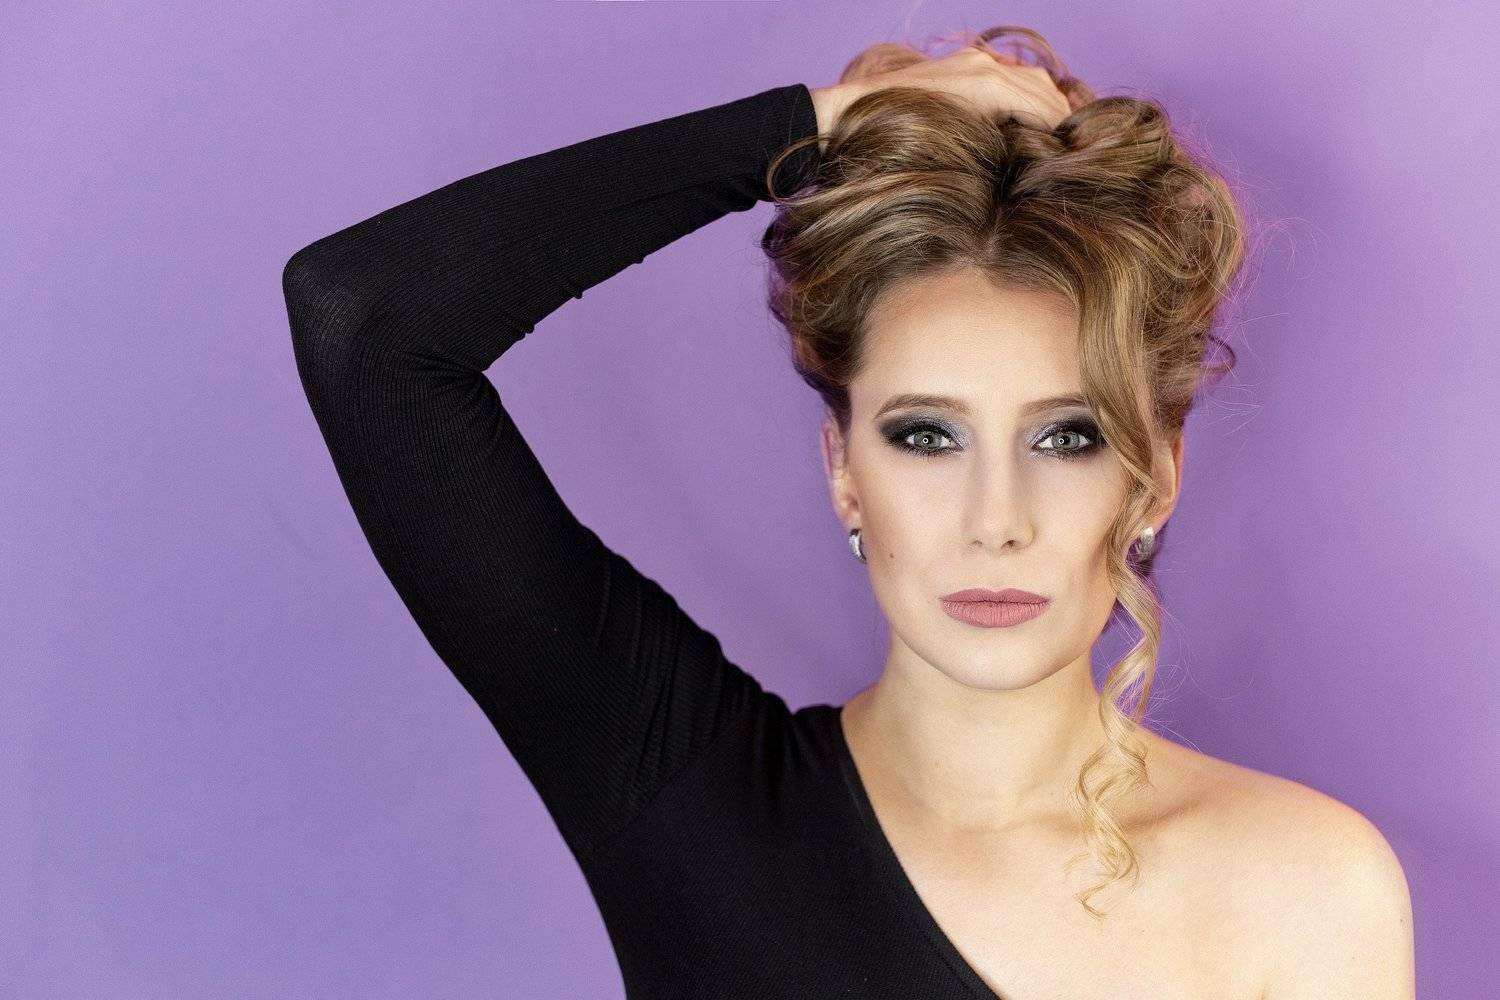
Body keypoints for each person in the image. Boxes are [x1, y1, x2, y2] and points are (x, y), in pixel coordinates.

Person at [282, 23, 1414, 999]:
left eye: (1065, 438)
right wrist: (807, 129)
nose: (996, 519)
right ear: (843, 470)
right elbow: (367, 322)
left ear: (1154, 475)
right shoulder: (687, 796)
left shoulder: (1308, 886)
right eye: (927, 436)